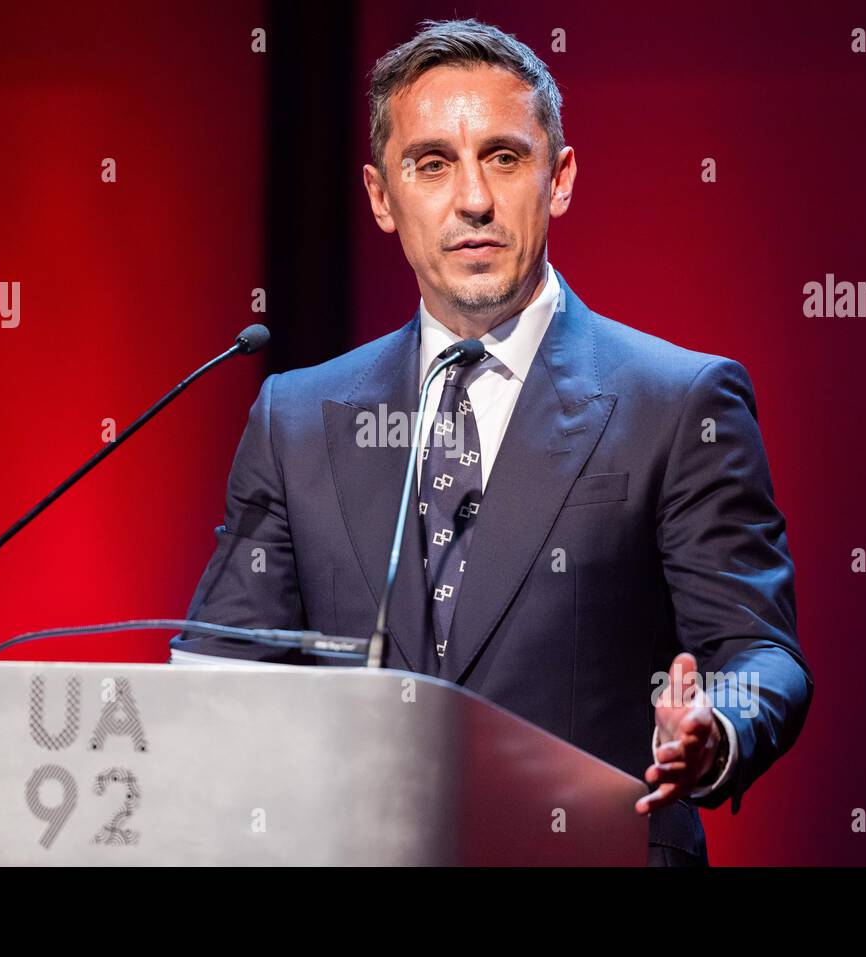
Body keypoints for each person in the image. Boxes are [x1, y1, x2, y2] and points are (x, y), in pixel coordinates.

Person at [174, 18, 813, 866]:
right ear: (379, 196)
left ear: (561, 178)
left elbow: (758, 652)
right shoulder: (296, 417)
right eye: (431, 163)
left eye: (504, 158)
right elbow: (225, 674)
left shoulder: (679, 400)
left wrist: (716, 726)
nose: (472, 198)